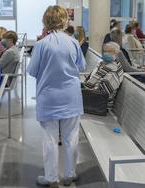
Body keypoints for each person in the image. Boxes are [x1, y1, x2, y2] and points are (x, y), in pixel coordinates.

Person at [27, 5, 86, 187]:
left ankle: (51, 178)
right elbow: (82, 67)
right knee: (71, 137)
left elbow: (32, 71)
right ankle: (69, 175)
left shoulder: (41, 44)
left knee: (50, 139)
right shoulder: (74, 42)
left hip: (49, 97)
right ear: (65, 20)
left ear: (46, 20)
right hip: (71, 97)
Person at [84, 42, 124, 109]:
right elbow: (90, 81)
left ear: (116, 54)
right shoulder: (101, 63)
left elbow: (103, 90)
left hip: (101, 103)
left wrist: (85, 89)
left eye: (110, 51)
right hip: (93, 97)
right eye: (105, 51)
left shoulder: (114, 67)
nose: (106, 53)